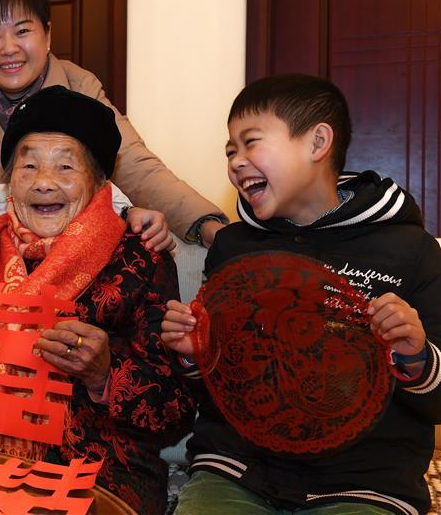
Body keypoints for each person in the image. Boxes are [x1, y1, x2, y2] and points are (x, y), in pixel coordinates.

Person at [162, 74, 441, 515]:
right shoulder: (234, 248)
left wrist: (415, 355)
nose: (236, 162)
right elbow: (216, 387)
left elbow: (435, 401)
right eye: (230, 151)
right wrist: (195, 354)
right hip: (237, 470)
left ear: (317, 143)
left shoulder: (409, 250)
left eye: (251, 143)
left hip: (364, 483)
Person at [0, 85, 196, 515]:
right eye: (28, 165)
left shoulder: (141, 259)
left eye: (66, 166)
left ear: (100, 182)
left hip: (92, 470)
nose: (44, 182)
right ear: (9, 180)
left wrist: (105, 374)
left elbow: (173, 413)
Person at [0, 0, 227, 248]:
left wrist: (205, 224)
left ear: (47, 35)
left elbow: (135, 165)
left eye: (22, 31)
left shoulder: (79, 86)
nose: (8, 48)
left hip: (70, 253)